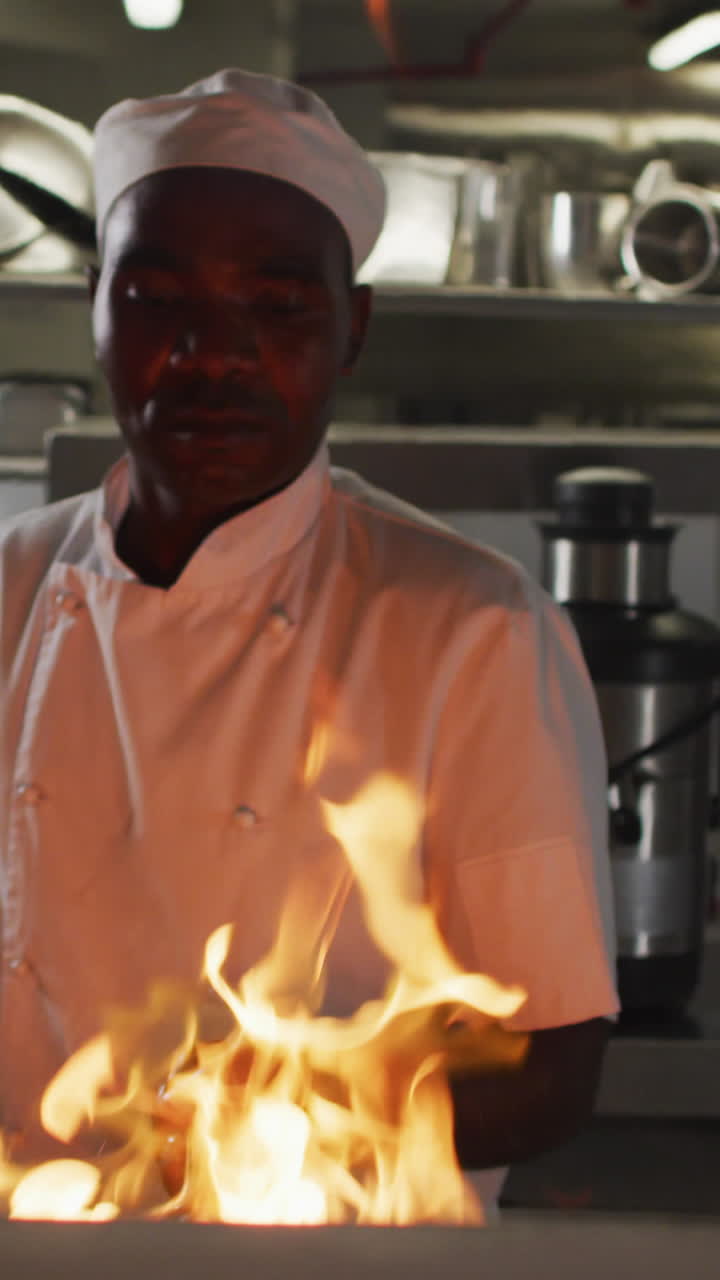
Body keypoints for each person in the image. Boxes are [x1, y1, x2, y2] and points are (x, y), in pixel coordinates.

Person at [0, 69, 618, 1211]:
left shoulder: (471, 627)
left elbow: (553, 1065)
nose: (211, 353)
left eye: (277, 306)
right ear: (95, 307)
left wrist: (272, 1116)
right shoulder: (8, 587)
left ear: (354, 328)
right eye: (155, 299)